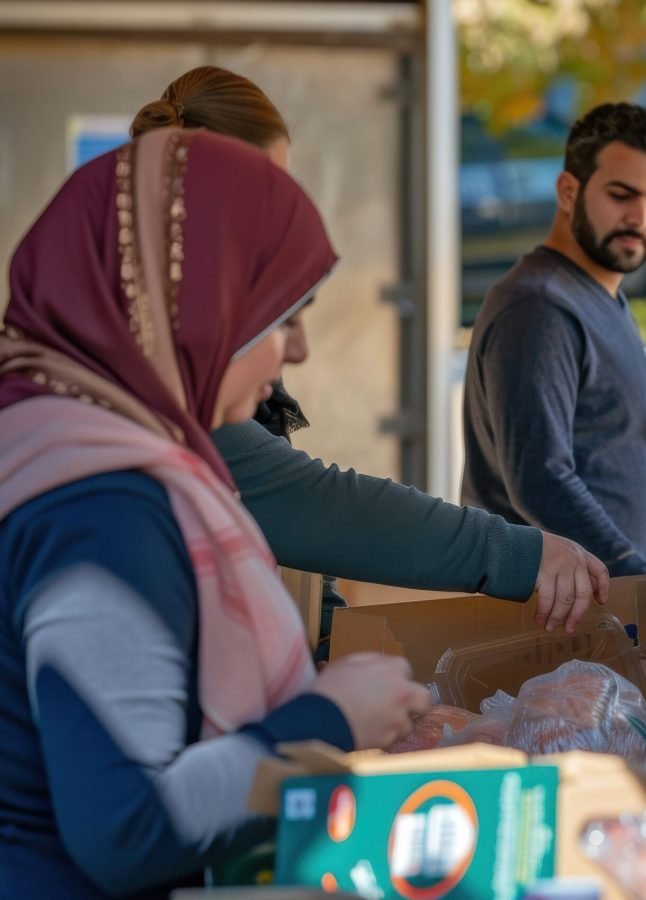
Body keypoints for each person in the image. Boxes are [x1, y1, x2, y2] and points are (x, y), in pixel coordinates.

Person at [0, 130, 432, 897]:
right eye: (281, 316)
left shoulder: (55, 442)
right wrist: (327, 723)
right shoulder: (101, 505)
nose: (297, 352)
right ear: (200, 310)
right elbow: (128, 824)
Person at [131, 66, 608, 640]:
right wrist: (516, 553)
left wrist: (332, 638)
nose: (298, 351)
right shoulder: (146, 345)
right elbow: (304, 500)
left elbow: (290, 525)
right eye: (272, 189)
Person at [461, 103, 646, 577]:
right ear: (567, 191)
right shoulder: (539, 306)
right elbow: (540, 477)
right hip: (545, 622)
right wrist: (634, 575)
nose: (641, 217)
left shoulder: (599, 296)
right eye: (622, 195)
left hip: (594, 613)